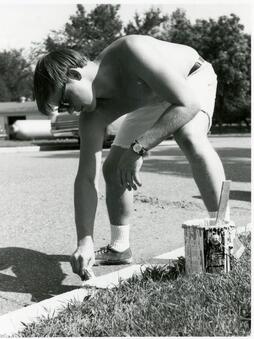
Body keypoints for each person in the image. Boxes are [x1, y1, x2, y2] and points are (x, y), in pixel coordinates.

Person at [34, 34, 229, 279]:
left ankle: (224, 235)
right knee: (112, 168)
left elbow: (187, 104)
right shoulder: (92, 117)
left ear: (74, 75)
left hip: (190, 78)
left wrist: (139, 148)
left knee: (189, 136)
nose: (70, 110)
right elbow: (86, 177)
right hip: (151, 98)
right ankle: (119, 247)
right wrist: (85, 240)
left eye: (65, 101)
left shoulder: (130, 51)